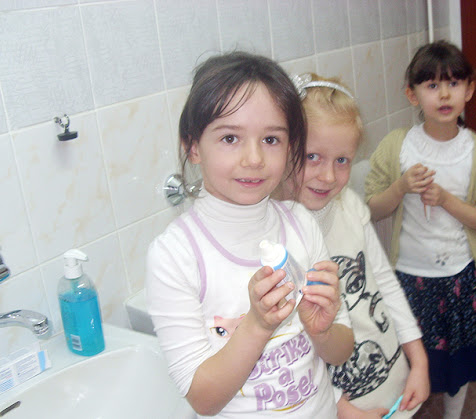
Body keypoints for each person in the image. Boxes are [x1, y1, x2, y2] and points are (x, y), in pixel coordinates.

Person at [145, 52, 354, 418]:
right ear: (192, 146)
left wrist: (320, 331)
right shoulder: (175, 255)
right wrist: (257, 325)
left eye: (271, 139)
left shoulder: (301, 224)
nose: (254, 158)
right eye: (230, 138)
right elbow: (203, 400)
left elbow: (341, 350)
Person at [364, 40, 476, 419]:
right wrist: (401, 187)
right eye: (431, 85)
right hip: (409, 278)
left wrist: (446, 199)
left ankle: (452, 414)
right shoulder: (397, 145)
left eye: (454, 83)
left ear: (469, 90)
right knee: (409, 362)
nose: (444, 95)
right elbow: (370, 209)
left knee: (457, 364)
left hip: (461, 277)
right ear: (412, 95)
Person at [278, 73, 430, 418]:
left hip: (393, 375)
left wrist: (418, 358)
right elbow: (287, 343)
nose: (329, 176)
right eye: (313, 156)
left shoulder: (349, 206)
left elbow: (384, 282)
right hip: (336, 404)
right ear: (284, 150)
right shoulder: (279, 239)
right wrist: (342, 408)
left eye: (342, 160)